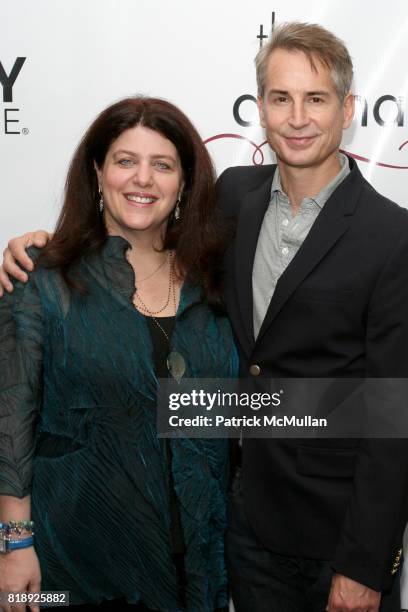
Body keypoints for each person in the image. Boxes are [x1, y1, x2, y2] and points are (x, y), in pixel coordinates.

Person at [3, 21, 408, 612]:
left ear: (347, 109)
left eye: (315, 99)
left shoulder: (393, 237)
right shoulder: (235, 200)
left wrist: (364, 563)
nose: (297, 117)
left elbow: (392, 412)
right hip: (229, 533)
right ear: (261, 110)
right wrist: (41, 246)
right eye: (281, 98)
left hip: (333, 542)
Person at [0, 96, 238, 612]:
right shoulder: (42, 278)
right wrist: (14, 545)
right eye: (126, 161)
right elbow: (11, 421)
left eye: (163, 165)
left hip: (198, 558)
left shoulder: (214, 282)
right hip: (81, 562)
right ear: (97, 172)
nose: (142, 180)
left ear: (184, 183)